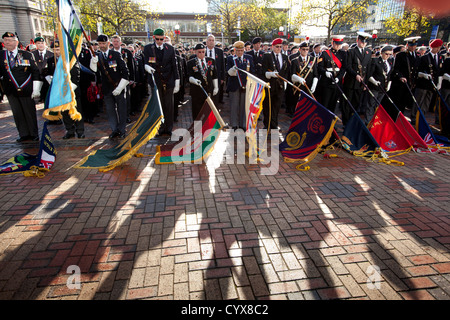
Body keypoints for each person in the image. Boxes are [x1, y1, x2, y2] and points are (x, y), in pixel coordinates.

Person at [0, 32, 42, 142]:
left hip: (26, 90)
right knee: (17, 113)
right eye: (5, 40)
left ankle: (33, 134)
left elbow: (35, 72)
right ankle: (23, 134)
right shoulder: (1, 55)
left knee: (29, 112)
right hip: (11, 90)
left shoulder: (27, 55)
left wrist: (36, 89)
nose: (7, 42)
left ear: (16, 42)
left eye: (10, 40)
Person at [89, 34, 130, 139]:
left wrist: (120, 87)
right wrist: (93, 63)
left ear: (108, 43)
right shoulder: (97, 56)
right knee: (110, 110)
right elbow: (94, 71)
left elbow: (125, 72)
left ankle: (122, 130)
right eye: (99, 44)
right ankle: (114, 130)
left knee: (121, 110)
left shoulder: (115, 54)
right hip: (107, 88)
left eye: (103, 43)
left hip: (118, 86)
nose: (101, 46)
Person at [43, 40, 85, 139]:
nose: (56, 52)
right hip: (59, 92)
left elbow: (76, 74)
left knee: (76, 111)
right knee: (64, 112)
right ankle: (70, 130)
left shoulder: (70, 59)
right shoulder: (50, 60)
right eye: (54, 50)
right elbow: (47, 72)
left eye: (58, 49)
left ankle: (80, 131)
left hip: (72, 90)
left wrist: (69, 90)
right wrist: (50, 79)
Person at [143, 28, 180, 135]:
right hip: (156, 81)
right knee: (158, 106)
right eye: (157, 39)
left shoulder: (170, 49)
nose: (159, 41)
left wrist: (177, 81)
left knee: (169, 105)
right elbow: (145, 62)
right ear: (154, 38)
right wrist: (146, 67)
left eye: (161, 39)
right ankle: (159, 128)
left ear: (164, 38)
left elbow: (174, 65)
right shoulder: (148, 48)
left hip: (169, 81)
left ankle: (168, 128)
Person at [343, 31, 372, 125]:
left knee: (356, 104)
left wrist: (366, 82)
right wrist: (355, 75)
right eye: (362, 41)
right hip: (351, 82)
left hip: (360, 83)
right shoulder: (351, 51)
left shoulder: (368, 52)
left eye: (365, 42)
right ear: (357, 40)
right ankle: (346, 122)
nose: (363, 43)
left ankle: (352, 121)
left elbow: (368, 69)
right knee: (348, 104)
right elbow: (348, 66)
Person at [413, 38, 444, 125]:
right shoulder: (424, 57)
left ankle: (421, 117)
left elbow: (439, 71)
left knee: (426, 102)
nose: (438, 49)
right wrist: (423, 75)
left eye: (439, 47)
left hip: (432, 84)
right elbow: (417, 71)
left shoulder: (440, 57)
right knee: (419, 100)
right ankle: (414, 117)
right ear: (432, 47)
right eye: (436, 47)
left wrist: (439, 82)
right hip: (423, 83)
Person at [261, 38, 290, 130]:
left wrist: (285, 82)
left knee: (276, 107)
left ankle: (274, 125)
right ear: (272, 46)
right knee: (267, 106)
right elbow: (263, 71)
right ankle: (267, 125)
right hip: (269, 85)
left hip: (280, 86)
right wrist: (269, 74)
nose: (279, 48)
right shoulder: (267, 56)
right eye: (277, 47)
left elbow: (286, 71)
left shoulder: (285, 57)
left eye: (280, 47)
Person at [226, 40, 254, 130]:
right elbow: (228, 72)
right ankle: (234, 124)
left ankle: (242, 124)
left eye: (241, 50)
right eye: (238, 51)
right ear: (235, 50)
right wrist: (233, 69)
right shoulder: (230, 58)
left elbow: (252, 71)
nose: (240, 53)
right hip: (234, 85)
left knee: (244, 105)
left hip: (245, 85)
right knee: (234, 105)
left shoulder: (249, 57)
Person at [389, 36, 420, 117]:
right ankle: (395, 118)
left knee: (405, 103)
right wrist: (400, 77)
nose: (412, 47)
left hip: (410, 84)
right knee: (398, 103)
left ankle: (400, 118)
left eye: (414, 45)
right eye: (411, 45)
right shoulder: (401, 55)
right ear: (407, 45)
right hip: (400, 84)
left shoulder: (417, 56)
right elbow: (396, 69)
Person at [186, 43, 218, 120]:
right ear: (195, 52)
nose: (201, 54)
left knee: (209, 111)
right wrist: (194, 80)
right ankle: (197, 129)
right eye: (199, 52)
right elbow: (188, 76)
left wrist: (216, 87)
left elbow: (215, 75)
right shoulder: (191, 63)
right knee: (197, 112)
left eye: (203, 52)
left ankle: (208, 129)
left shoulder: (211, 61)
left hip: (209, 90)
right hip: (197, 91)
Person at [316, 35, 347, 114]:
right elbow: (319, 67)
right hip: (326, 83)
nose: (338, 46)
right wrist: (325, 72)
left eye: (339, 44)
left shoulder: (343, 54)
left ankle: (330, 124)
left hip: (337, 83)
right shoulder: (325, 53)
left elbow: (343, 68)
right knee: (324, 104)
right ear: (332, 43)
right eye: (336, 44)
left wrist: (339, 77)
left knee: (333, 105)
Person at [289, 41, 319, 113]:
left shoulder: (312, 60)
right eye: (303, 49)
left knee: (308, 106)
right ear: (300, 49)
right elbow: (292, 75)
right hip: (299, 87)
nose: (305, 51)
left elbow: (315, 74)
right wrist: (299, 79)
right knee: (298, 106)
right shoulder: (295, 61)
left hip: (309, 86)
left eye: (307, 49)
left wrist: (314, 84)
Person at [366, 45, 394, 121]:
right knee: (371, 104)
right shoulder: (375, 61)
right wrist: (374, 81)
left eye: (389, 54)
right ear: (381, 53)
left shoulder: (390, 62)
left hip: (383, 87)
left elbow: (390, 74)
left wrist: (389, 84)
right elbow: (369, 74)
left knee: (378, 105)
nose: (388, 56)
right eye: (386, 54)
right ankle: (368, 121)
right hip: (375, 87)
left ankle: (375, 120)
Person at [110, 35, 135, 123]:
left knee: (126, 100)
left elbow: (131, 66)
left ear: (120, 42)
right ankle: (117, 117)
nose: (116, 43)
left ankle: (126, 116)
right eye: (114, 41)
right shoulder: (110, 53)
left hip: (125, 80)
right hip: (114, 81)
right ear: (112, 42)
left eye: (117, 41)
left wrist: (132, 79)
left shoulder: (127, 52)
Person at [32, 36, 53, 103]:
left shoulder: (51, 54)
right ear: (35, 45)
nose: (40, 45)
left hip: (48, 80)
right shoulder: (32, 55)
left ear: (45, 44)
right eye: (38, 43)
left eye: (42, 43)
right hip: (37, 80)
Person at [205, 34, 225, 104]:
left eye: (213, 40)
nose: (211, 42)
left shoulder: (219, 51)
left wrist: (222, 78)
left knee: (216, 96)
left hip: (217, 77)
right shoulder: (203, 51)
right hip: (206, 77)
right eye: (209, 40)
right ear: (206, 42)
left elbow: (222, 65)